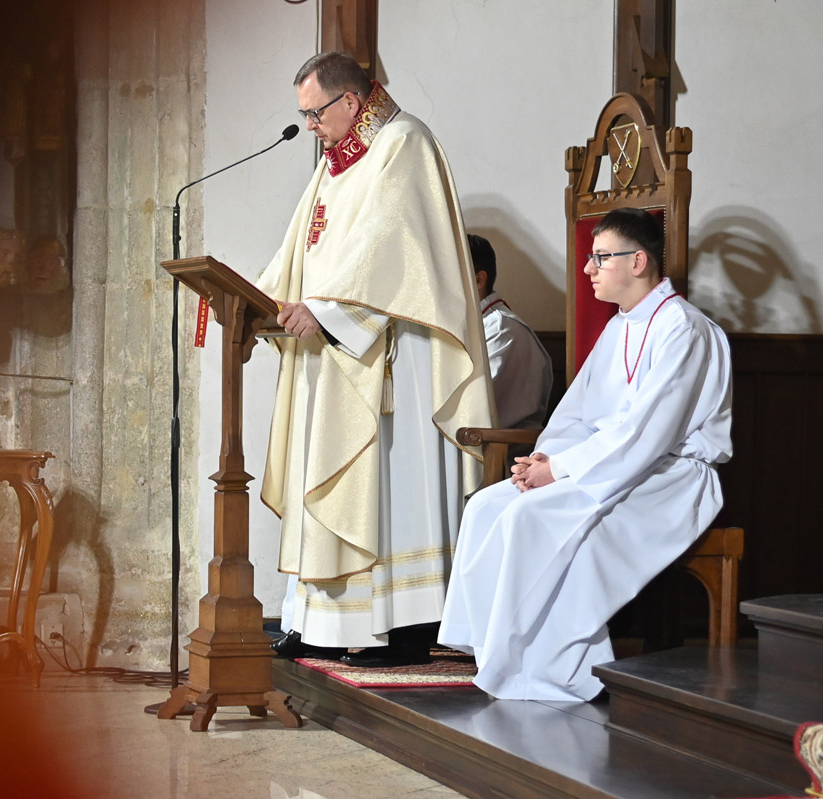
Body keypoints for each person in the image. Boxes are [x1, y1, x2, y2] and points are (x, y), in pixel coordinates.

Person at [257, 52, 494, 667]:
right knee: (334, 482)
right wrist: (262, 300)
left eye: (315, 112)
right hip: (333, 352)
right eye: (303, 114)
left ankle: (410, 627)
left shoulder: (403, 141)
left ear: (352, 102)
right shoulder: (335, 164)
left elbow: (393, 247)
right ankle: (320, 622)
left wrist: (331, 311)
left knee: (395, 488)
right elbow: (299, 248)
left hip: (397, 354)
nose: (309, 125)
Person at [438, 208, 732, 701]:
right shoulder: (622, 326)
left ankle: (556, 670)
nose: (588, 269)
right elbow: (576, 413)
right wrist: (544, 462)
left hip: (672, 477)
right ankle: (495, 649)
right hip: (615, 464)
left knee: (530, 519)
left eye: (600, 258)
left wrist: (562, 470)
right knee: (488, 505)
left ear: (638, 261)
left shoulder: (683, 329)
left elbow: (649, 431)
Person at [468, 233, 552, 432]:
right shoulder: (475, 323)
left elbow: (475, 407)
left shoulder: (501, 330)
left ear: (479, 280)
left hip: (503, 454)